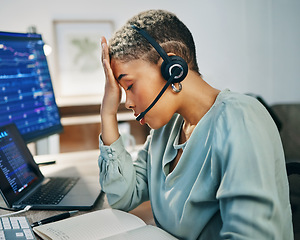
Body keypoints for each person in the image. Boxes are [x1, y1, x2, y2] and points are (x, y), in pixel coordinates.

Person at [98, 9, 293, 239]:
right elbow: (123, 196)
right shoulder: (166, 130)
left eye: (129, 86)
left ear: (173, 67)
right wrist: (108, 113)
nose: (127, 102)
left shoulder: (240, 119)